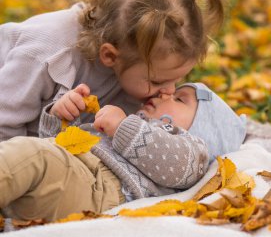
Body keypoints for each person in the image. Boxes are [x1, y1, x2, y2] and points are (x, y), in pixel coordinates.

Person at [0, 0, 226, 142]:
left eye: (176, 78)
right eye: (157, 81)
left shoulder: (135, 64)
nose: (169, 90)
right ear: (109, 55)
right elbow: (4, 123)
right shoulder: (46, 53)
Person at [0, 82, 246, 222]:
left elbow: (176, 164)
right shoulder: (133, 124)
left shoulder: (193, 149)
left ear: (203, 130)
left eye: (180, 100)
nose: (165, 93)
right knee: (27, 161)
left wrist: (122, 127)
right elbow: (56, 147)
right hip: (69, 175)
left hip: (97, 187)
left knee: (31, 155)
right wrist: (58, 118)